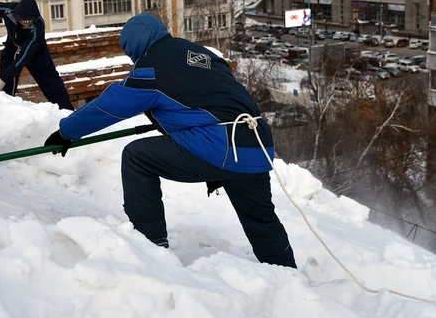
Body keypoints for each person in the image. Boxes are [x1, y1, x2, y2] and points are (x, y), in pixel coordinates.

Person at [44, 13, 296, 268]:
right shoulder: (200, 53)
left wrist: (67, 131)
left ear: (135, 45)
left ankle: (149, 245)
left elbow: (110, 106)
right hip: (256, 143)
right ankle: (288, 276)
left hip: (220, 144)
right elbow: (214, 100)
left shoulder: (151, 67)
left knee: (136, 157)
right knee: (261, 220)